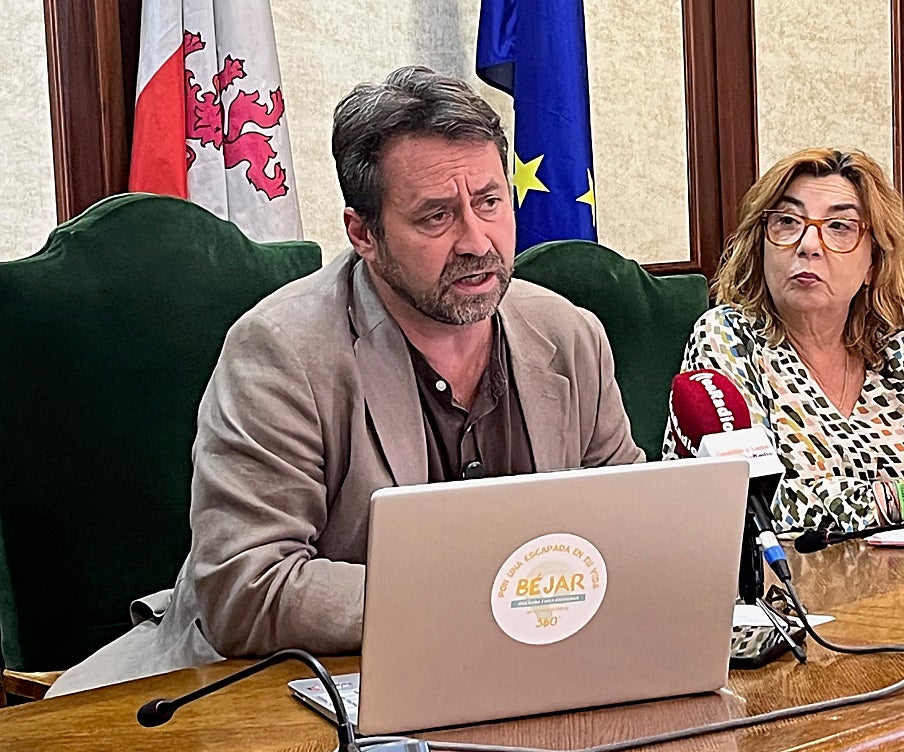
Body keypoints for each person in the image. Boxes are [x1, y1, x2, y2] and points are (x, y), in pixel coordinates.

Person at [48, 66, 642, 696]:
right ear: (363, 233)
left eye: (490, 201)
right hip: (264, 695)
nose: (477, 241)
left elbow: (632, 520)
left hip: (508, 677)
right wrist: (479, 595)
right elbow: (250, 588)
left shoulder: (570, 334)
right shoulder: (281, 352)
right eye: (436, 217)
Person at [663, 147, 904, 533]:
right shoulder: (728, 337)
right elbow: (744, 500)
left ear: (874, 260)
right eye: (787, 221)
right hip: (788, 582)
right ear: (761, 245)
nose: (808, 244)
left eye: (839, 226)